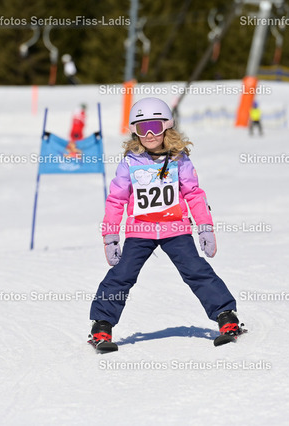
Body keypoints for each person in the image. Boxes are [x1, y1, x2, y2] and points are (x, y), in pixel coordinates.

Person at [88, 97, 242, 350]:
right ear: (135, 131)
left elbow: (194, 194)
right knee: (122, 275)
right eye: (142, 128)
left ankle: (226, 316)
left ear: (167, 127)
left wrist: (205, 227)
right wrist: (110, 236)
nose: (149, 134)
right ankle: (102, 325)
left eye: (155, 127)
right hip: (141, 230)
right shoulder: (130, 162)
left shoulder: (179, 160)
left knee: (196, 270)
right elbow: (116, 200)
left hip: (176, 229)